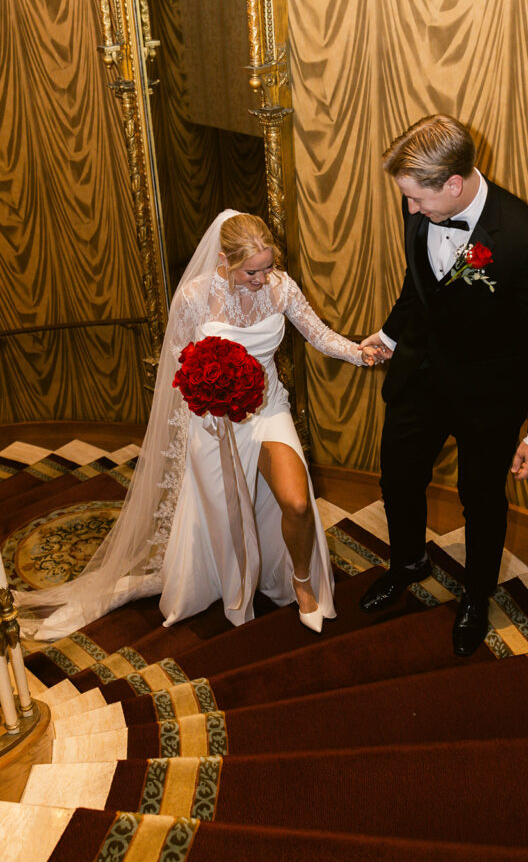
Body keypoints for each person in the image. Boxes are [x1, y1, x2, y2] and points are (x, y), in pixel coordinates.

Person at [17, 211, 376, 639]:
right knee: (225, 516)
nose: (263, 278)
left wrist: (359, 352)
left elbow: (318, 334)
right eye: (251, 271)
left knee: (296, 503)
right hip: (214, 423)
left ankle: (300, 583)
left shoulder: (281, 288)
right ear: (224, 259)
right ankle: (231, 587)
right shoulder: (193, 297)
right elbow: (180, 360)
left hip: (268, 409)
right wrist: (208, 394)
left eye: (267, 267)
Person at [360, 114, 528, 656]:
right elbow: (419, 285)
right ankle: (408, 564)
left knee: (481, 500)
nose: (410, 209)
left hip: (488, 398)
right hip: (420, 380)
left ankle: (476, 597)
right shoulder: (421, 202)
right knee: (398, 478)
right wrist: (388, 334)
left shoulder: (526, 238)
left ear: (453, 183)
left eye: (417, 199)